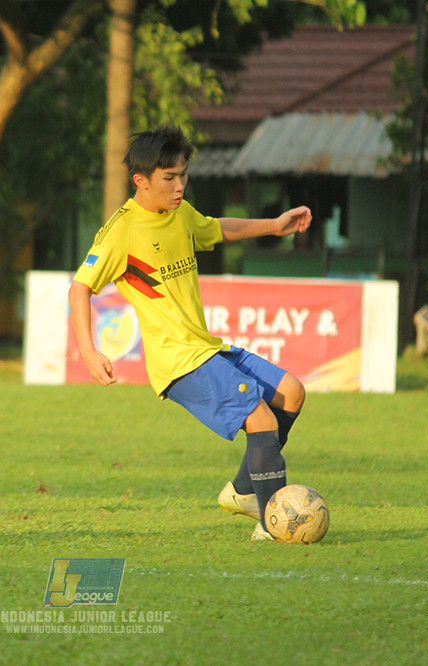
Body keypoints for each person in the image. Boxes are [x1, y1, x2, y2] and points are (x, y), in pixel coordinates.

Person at [68, 126, 311, 541]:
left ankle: (244, 491)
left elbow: (216, 229)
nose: (179, 185)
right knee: (260, 416)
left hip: (205, 347)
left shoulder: (180, 213)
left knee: (291, 392)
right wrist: (89, 351)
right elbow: (80, 288)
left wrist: (274, 226)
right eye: (169, 178)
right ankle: (276, 524)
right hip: (177, 361)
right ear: (141, 181)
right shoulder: (122, 230)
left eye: (183, 175)